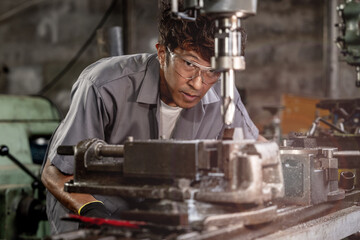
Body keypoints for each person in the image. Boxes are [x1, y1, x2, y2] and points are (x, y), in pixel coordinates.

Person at [41, 0, 262, 235]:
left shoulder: (223, 94)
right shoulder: (103, 86)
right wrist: (91, 209)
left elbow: (257, 150)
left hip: (163, 221)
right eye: (189, 64)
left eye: (212, 71)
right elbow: (54, 172)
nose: (198, 84)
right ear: (161, 53)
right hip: (94, 221)